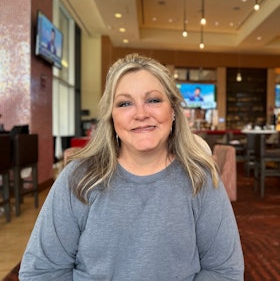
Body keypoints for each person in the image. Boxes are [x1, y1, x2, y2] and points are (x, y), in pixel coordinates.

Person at [19, 54, 244, 280]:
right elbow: (41, 271)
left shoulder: (201, 178)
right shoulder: (79, 177)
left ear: (173, 110)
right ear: (111, 117)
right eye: (125, 103)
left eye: (153, 100)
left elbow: (224, 271)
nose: (141, 114)